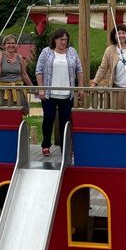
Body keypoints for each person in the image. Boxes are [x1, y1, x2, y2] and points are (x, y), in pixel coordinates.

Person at [36, 28, 83, 156]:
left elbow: (79, 70)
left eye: (65, 40)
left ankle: (65, 147)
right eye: (61, 39)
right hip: (49, 94)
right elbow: (39, 70)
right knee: (48, 119)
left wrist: (81, 87)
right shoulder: (46, 52)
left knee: (66, 122)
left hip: (67, 95)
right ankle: (46, 144)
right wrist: (41, 88)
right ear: (55, 39)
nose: (63, 42)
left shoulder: (72, 52)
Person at [90, 24, 126, 89]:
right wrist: (94, 83)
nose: (121, 35)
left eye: (123, 33)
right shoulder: (109, 51)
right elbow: (103, 68)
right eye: (118, 33)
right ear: (114, 36)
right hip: (117, 89)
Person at [0, 34, 33, 114]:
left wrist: (32, 87)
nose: (11, 45)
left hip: (17, 89)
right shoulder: (0, 55)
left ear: (16, 45)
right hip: (3, 90)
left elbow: (24, 74)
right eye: (8, 43)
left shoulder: (19, 57)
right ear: (4, 45)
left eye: (13, 43)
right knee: (5, 113)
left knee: (19, 113)